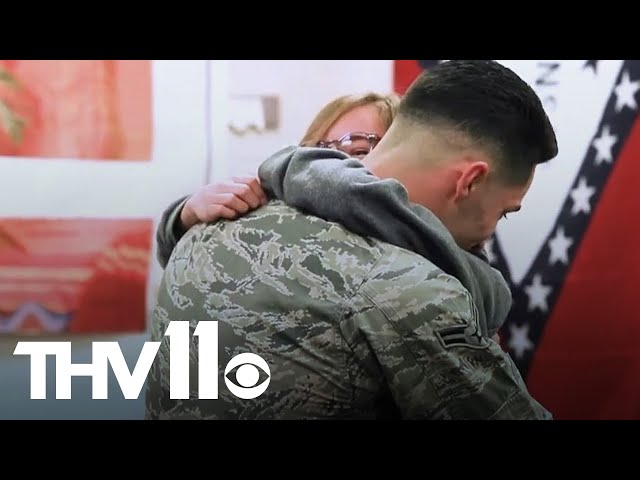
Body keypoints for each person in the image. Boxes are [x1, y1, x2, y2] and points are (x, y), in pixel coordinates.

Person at [145, 60, 558, 420]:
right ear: (470, 180)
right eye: (504, 211)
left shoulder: (205, 232)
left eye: (369, 146)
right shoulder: (410, 291)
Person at [155, 92, 400, 269]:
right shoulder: (282, 204)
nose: (332, 164)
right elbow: (176, 255)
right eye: (318, 150)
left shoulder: (409, 234)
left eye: (358, 151)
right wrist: (187, 214)